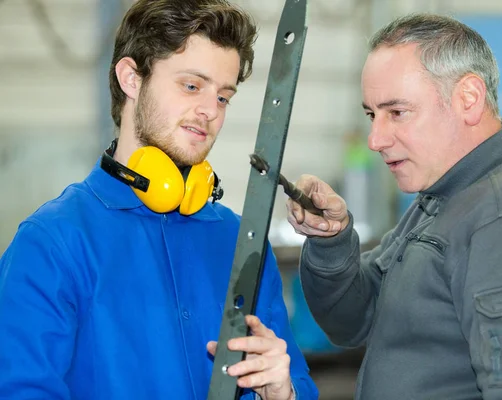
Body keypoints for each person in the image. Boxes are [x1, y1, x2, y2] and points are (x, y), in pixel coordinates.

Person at [0, 1, 318, 399]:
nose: (209, 111)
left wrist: (282, 392)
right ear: (131, 79)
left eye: (223, 97)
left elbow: (299, 384)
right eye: (191, 85)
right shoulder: (52, 243)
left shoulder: (241, 241)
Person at [287, 13, 502, 400]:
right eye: (372, 114)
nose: (375, 139)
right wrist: (332, 240)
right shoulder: (445, 199)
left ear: (468, 99)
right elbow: (352, 320)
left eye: (397, 112)